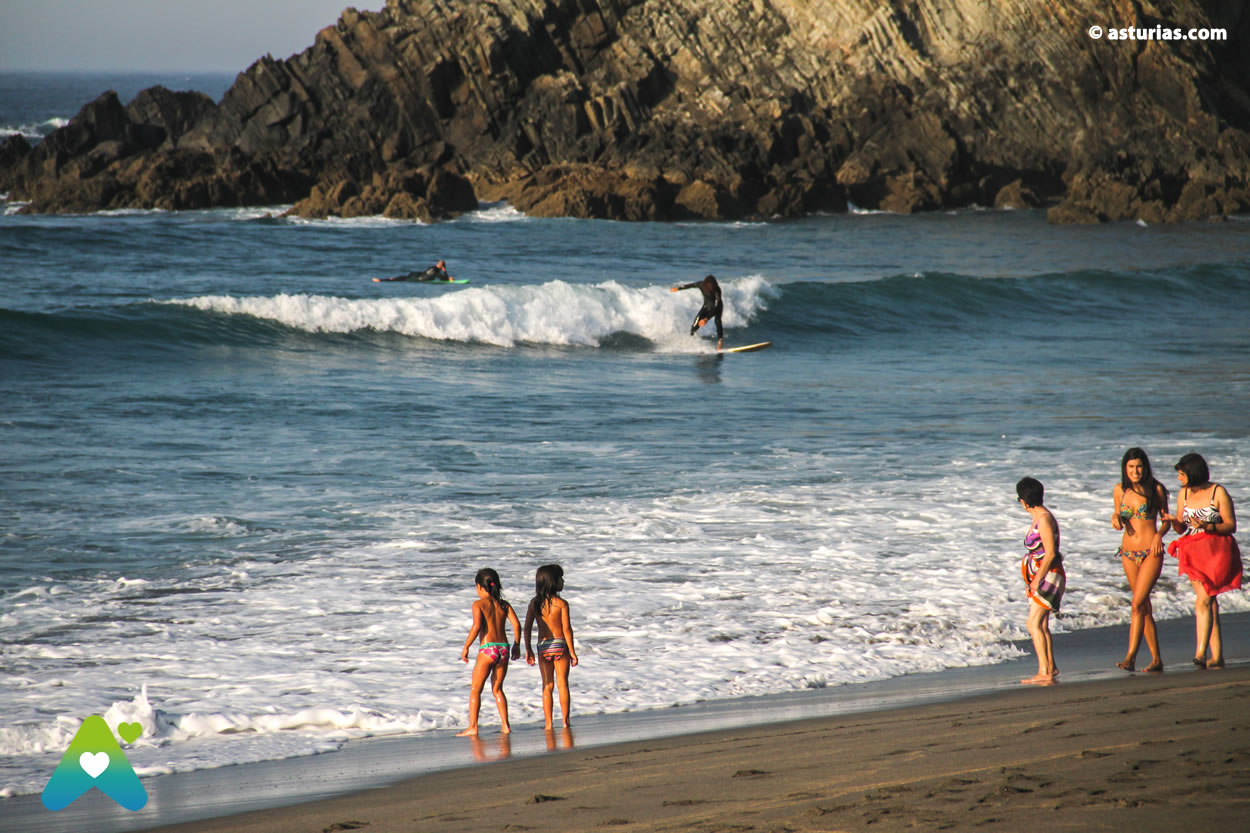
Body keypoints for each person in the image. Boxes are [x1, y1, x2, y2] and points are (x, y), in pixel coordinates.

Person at [1162, 453, 1241, 669]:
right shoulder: (1183, 494)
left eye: (1181, 474)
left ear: (1192, 473)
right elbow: (1182, 526)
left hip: (1216, 551)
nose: (1179, 478)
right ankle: (1217, 656)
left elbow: (1231, 525)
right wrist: (1173, 522)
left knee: (1203, 601)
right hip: (1193, 551)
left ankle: (1200, 651)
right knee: (1209, 601)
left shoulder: (1218, 492)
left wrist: (1208, 526)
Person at [1111, 448, 1170, 672]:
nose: (1135, 471)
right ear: (1125, 468)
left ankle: (1131, 657)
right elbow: (1119, 516)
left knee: (1136, 604)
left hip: (1151, 552)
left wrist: (1158, 535)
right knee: (1143, 605)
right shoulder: (1120, 490)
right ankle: (1156, 659)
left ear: (1145, 467)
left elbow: (1166, 520)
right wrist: (1116, 518)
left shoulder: (1156, 489)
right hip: (1128, 553)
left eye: (1139, 466)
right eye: (1131, 467)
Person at [457, 568, 522, 736]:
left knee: (475, 690)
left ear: (479, 586)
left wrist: (466, 647)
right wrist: (517, 644)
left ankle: (473, 727)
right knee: (498, 689)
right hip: (504, 649)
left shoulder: (478, 604)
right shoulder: (504, 605)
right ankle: (506, 725)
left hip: (488, 649)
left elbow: (477, 626)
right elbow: (517, 625)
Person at [1017, 477, 1065, 685]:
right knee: (1042, 624)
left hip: (1049, 575)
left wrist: (1037, 579)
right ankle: (1050, 667)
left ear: (1023, 501)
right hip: (1043, 574)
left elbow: (1051, 553)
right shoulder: (1040, 517)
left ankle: (1044, 671)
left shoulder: (1044, 519)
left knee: (1033, 623)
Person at [524, 564, 578, 729]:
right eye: (560, 578)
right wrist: (572, 652)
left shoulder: (534, 604)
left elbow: (527, 628)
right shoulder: (561, 604)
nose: (563, 581)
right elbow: (567, 630)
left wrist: (528, 649)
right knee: (563, 684)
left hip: (543, 646)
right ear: (552, 582)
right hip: (560, 645)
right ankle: (565, 721)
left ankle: (548, 724)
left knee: (547, 686)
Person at [671, 274, 724, 350]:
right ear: (706, 284)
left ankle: (720, 342)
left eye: (713, 285)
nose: (711, 287)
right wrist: (679, 288)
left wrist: (706, 319)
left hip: (717, 307)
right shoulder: (701, 284)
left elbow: (716, 306)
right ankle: (692, 340)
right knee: (695, 324)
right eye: (710, 285)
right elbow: (691, 285)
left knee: (717, 321)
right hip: (706, 306)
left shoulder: (717, 290)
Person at [373, 259, 454, 282]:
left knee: (400, 278)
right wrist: (445, 272)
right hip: (417, 278)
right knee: (400, 279)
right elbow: (444, 279)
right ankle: (380, 280)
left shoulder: (432, 267)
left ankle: (380, 279)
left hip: (416, 274)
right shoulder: (437, 271)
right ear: (442, 267)